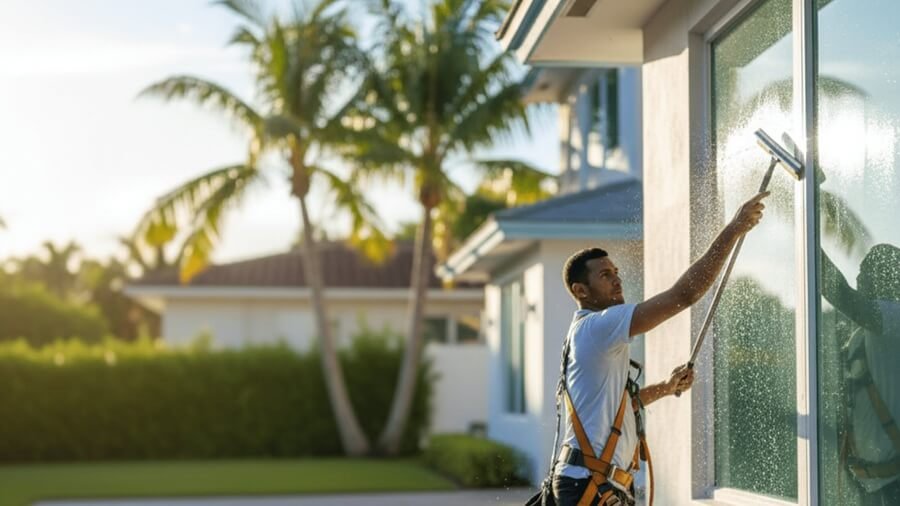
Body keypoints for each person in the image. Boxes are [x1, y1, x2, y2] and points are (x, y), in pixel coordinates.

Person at [552, 190, 769, 506]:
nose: (617, 280)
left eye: (616, 273)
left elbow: (625, 404)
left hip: (592, 485)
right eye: (605, 275)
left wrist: (666, 388)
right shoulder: (598, 326)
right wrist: (733, 229)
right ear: (580, 290)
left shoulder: (591, 335)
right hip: (589, 485)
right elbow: (685, 294)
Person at [822, 243, 900, 506]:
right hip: (870, 485)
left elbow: (842, 295)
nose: (857, 278)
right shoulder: (865, 333)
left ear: (884, 276)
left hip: (892, 487)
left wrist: (805, 243)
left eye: (864, 271)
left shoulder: (894, 317)